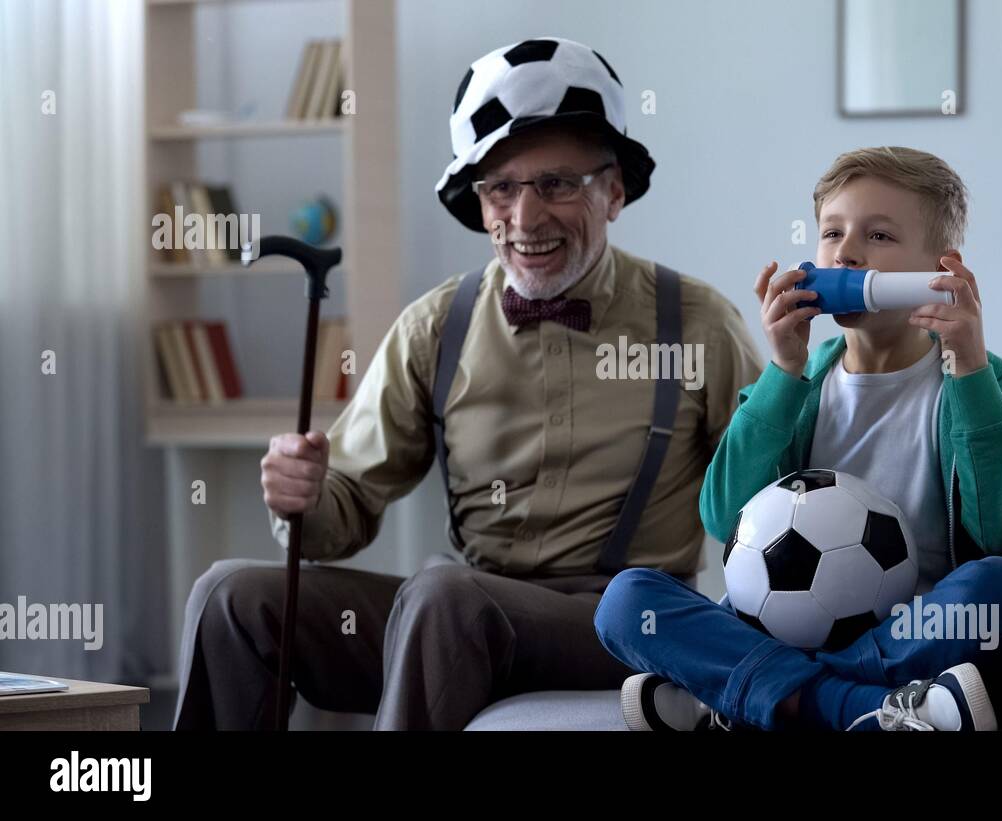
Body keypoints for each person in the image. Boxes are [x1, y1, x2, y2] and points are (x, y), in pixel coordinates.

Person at [173, 37, 762, 731]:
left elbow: (768, 502)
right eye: (502, 188)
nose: (526, 217)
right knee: (230, 595)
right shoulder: (435, 326)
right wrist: (302, 495)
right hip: (461, 621)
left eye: (557, 184)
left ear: (614, 191)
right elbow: (343, 510)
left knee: (445, 596)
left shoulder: (696, 323)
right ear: (478, 201)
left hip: (629, 626)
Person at [595, 146, 1002, 731]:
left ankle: (750, 693)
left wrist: (971, 369)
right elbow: (723, 517)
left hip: (909, 633)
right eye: (832, 233)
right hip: (777, 621)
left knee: (1001, 590)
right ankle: (859, 709)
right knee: (626, 601)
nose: (847, 252)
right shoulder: (797, 386)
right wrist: (782, 373)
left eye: (879, 237)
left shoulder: (982, 378)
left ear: (939, 268)